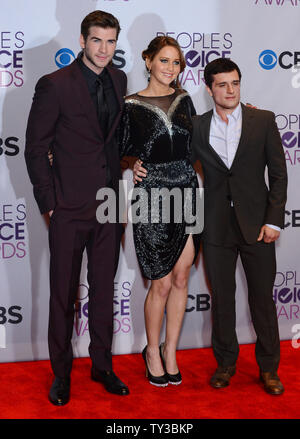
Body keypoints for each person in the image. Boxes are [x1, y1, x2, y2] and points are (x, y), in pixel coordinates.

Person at [135, 57, 287, 395]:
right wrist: (138, 164)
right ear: (209, 88)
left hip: (258, 225)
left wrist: (274, 219)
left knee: (262, 299)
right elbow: (171, 158)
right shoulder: (197, 126)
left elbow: (278, 175)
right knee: (222, 299)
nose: (230, 90)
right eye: (222, 84)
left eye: (235, 83)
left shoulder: (262, 120)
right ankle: (226, 364)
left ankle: (269, 369)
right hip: (215, 225)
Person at [25, 10, 129, 406]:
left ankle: (102, 365)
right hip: (68, 206)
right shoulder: (54, 85)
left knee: (104, 291)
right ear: (83, 40)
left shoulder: (119, 80)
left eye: (111, 41)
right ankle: (62, 373)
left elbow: (112, 143)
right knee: (62, 293)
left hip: (108, 204)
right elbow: (36, 149)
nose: (105, 49)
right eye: (98, 40)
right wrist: (50, 203)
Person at [119, 36, 201, 387]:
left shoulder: (185, 100)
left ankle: (171, 351)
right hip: (151, 196)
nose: (170, 68)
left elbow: (202, 142)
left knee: (182, 277)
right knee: (162, 282)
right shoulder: (130, 104)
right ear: (148, 60)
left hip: (186, 191)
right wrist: (133, 163)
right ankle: (151, 350)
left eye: (176, 63)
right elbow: (116, 146)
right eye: (164, 61)